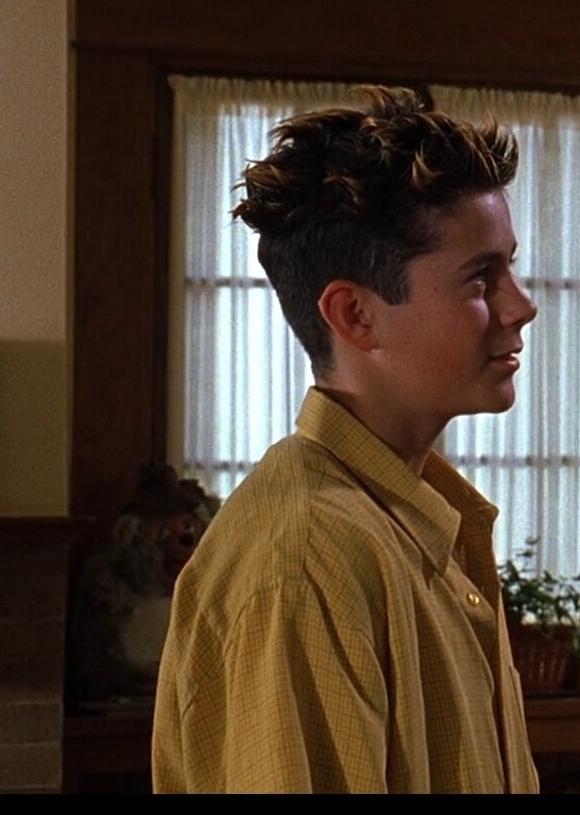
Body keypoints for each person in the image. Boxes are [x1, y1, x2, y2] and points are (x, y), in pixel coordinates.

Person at [152, 85, 542, 793]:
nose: (521, 306)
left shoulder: (414, 525)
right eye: (480, 279)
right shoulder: (305, 563)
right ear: (356, 315)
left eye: (510, 267)